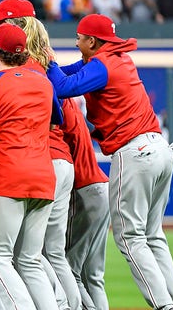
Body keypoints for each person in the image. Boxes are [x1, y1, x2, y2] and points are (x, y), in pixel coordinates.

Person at [47, 14, 173, 310]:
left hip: (135, 153)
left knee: (131, 239)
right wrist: (52, 66)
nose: (76, 42)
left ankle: (165, 307)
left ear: (92, 41)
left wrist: (46, 60)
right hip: (159, 148)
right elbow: (68, 74)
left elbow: (62, 87)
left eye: (80, 38)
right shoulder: (117, 58)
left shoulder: (103, 64)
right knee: (153, 236)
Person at [0, 23, 59, 310]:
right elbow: (54, 119)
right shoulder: (43, 81)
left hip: (9, 175)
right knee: (30, 260)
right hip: (44, 175)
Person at [61, 98, 110, 310]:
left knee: (69, 269)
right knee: (94, 276)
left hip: (83, 191)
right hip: (101, 186)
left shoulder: (57, 105)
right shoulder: (70, 103)